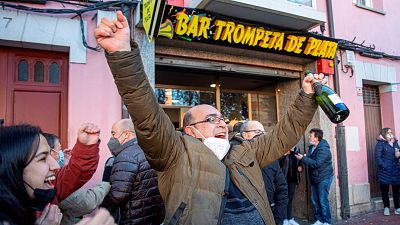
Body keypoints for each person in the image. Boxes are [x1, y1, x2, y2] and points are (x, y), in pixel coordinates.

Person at [95, 11, 326, 225]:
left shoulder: (245, 151)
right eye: (211, 119)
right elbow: (148, 115)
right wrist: (122, 55)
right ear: (191, 130)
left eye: (222, 119)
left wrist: (306, 96)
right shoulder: (176, 154)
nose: (222, 123)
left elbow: (284, 134)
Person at [0, 124, 114, 225]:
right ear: (14, 167)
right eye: (42, 158)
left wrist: (86, 147)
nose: (55, 165)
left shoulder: (49, 188)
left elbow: (74, 173)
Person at [101, 119, 165, 225]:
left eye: (113, 133)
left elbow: (118, 196)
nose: (111, 138)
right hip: (154, 216)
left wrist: (100, 201)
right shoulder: (150, 151)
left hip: (134, 218)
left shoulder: (125, 156)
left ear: (126, 134)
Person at [44, 133, 111, 225]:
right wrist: (106, 184)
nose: (62, 153)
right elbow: (87, 203)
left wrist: (66, 163)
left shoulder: (54, 175)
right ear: (51, 153)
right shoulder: (51, 180)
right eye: (59, 150)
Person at [241, 121, 289, 225]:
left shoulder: (272, 159)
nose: (261, 135)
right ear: (245, 135)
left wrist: (277, 218)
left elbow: (282, 190)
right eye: (257, 132)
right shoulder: (234, 160)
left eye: (263, 132)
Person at [295, 128, 333, 225]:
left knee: (322, 200)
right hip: (315, 178)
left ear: (316, 138)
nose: (309, 137)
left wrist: (303, 158)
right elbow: (309, 159)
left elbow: (316, 164)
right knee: (315, 200)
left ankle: (327, 222)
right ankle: (319, 220)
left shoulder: (324, 149)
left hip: (324, 178)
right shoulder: (312, 147)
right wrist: (301, 161)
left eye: (310, 136)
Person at [374, 128, 400, 216]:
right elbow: (378, 157)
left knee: (396, 190)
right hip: (385, 171)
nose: (390, 134)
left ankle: (397, 208)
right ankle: (386, 208)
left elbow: (398, 154)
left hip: (395, 170)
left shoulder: (395, 143)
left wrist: (398, 156)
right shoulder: (380, 144)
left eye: (391, 132)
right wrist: (384, 166)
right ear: (384, 134)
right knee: (385, 190)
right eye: (388, 132)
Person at [280, 147, 302, 225]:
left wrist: (300, 167)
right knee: (284, 199)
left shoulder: (297, 150)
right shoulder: (282, 149)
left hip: (293, 179)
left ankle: (289, 218)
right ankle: (284, 218)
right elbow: (278, 163)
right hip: (284, 179)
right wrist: (284, 154)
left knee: (290, 199)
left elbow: (299, 163)